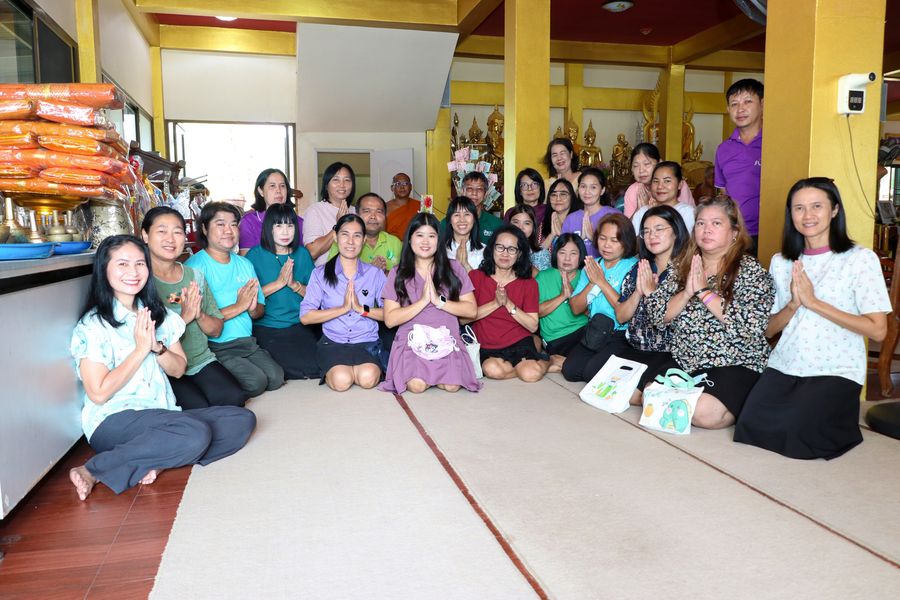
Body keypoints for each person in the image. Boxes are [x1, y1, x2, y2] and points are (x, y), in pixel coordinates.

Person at [67, 235, 256, 501]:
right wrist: (140, 349)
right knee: (195, 432)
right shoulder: (94, 325)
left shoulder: (159, 315)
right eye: (122, 264)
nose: (133, 272)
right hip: (114, 420)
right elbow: (98, 393)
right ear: (104, 270)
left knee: (241, 420)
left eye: (139, 264)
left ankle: (155, 458)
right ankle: (94, 470)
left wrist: (158, 348)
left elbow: (178, 369)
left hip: (161, 415)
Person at [735, 178, 890, 459]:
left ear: (834, 210)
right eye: (799, 208)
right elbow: (768, 330)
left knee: (798, 435)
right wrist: (794, 304)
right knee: (750, 426)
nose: (808, 215)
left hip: (836, 367)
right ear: (790, 214)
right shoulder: (781, 261)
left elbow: (878, 330)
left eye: (817, 206)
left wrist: (814, 303)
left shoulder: (860, 259)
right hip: (787, 363)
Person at [643, 196, 774, 429]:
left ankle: (737, 400)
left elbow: (751, 325)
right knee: (649, 394)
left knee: (703, 413)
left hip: (734, 362)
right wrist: (686, 293)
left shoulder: (749, 269)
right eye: (701, 223)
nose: (706, 230)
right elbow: (657, 316)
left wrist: (704, 292)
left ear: (734, 232)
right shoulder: (682, 265)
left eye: (716, 223)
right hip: (687, 360)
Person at [141, 207, 247, 410]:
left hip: (199, 360)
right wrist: (184, 317)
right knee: (198, 409)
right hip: (162, 365)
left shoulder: (194, 276)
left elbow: (216, 330)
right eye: (162, 231)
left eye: (177, 232)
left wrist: (198, 314)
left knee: (235, 399)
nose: (171, 239)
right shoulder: (139, 279)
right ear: (145, 235)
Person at [186, 202, 284, 397]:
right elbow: (199, 317)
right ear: (204, 228)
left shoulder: (245, 264)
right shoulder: (194, 267)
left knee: (276, 378)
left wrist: (252, 308)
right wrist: (240, 306)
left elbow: (259, 311)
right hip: (216, 346)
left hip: (247, 341)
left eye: (233, 224)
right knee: (256, 382)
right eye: (220, 224)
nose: (228, 231)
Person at [381, 213, 480, 394]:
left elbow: (471, 310)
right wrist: (423, 301)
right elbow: (390, 319)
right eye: (419, 235)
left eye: (431, 236)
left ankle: (440, 373)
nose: (425, 242)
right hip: (413, 341)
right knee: (416, 385)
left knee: (452, 387)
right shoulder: (398, 272)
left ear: (439, 240)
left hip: (446, 338)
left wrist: (438, 301)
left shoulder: (454, 268)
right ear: (409, 239)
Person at [300, 214, 387, 391]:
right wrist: (343, 308)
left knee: (368, 378)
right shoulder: (320, 274)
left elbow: (391, 314)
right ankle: (345, 369)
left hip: (366, 341)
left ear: (364, 240)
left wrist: (361, 309)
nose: (350, 241)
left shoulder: (375, 274)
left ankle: (357, 368)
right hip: (334, 342)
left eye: (357, 236)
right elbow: (306, 317)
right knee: (341, 380)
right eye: (345, 234)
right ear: (335, 237)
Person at [464, 225, 549, 382]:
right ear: (492, 249)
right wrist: (496, 304)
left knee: (531, 375)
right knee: (492, 370)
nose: (505, 253)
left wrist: (508, 304)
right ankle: (529, 363)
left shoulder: (528, 283)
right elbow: (463, 319)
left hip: (518, 340)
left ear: (519, 253)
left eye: (511, 249)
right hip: (486, 343)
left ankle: (546, 362)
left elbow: (532, 326)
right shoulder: (476, 277)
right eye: (500, 247)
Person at [561, 213, 639, 382]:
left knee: (591, 373)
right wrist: (592, 282)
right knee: (570, 371)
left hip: (620, 333)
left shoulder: (633, 267)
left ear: (626, 242)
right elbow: (576, 308)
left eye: (614, 240)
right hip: (595, 330)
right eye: (603, 238)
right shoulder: (592, 265)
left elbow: (624, 311)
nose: (607, 245)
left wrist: (601, 281)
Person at [245, 203, 319, 380]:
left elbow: (316, 296)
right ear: (269, 228)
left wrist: (294, 285)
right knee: (288, 368)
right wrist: (279, 283)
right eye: (278, 226)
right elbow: (247, 298)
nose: (285, 232)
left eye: (290, 225)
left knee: (317, 365)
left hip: (298, 323)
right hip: (268, 326)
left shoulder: (302, 254)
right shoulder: (254, 255)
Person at [715, 79, 764, 254]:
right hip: (735, 234)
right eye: (734, 104)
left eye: (747, 101)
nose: (740, 109)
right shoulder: (723, 149)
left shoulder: (774, 144)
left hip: (768, 231)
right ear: (728, 109)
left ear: (763, 104)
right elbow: (723, 193)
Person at [535, 233, 590, 372]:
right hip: (557, 337)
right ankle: (561, 362)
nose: (567, 258)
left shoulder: (586, 277)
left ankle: (560, 362)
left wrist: (574, 298)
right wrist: (562, 296)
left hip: (585, 331)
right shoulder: (544, 277)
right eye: (562, 252)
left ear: (580, 256)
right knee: (584, 365)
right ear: (555, 254)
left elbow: (592, 312)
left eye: (573, 253)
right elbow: (536, 312)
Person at [327, 193, 402, 273]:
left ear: (385, 216)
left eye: (379, 212)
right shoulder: (344, 242)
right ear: (357, 215)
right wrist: (369, 271)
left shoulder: (395, 242)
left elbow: (403, 276)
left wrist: (384, 272)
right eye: (367, 211)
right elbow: (331, 273)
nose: (373, 216)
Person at [304, 162, 357, 266]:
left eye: (347, 180)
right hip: (325, 273)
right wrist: (338, 225)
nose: (342, 185)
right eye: (336, 179)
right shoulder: (315, 210)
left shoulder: (356, 212)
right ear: (326, 185)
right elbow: (312, 252)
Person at [239, 168, 303, 255]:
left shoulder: (299, 222)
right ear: (261, 191)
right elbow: (247, 259)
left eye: (282, 186)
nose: (278, 190)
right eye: (272, 186)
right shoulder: (249, 221)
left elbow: (301, 256)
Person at [623, 143, 695, 218]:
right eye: (636, 166)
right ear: (631, 169)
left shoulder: (676, 185)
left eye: (646, 164)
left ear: (659, 163)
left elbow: (688, 217)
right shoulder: (633, 190)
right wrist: (639, 210)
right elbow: (626, 225)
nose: (641, 170)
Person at [562, 167, 618, 258]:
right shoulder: (570, 219)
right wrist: (579, 243)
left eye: (593, 187)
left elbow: (621, 250)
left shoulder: (613, 216)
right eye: (583, 186)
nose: (587, 192)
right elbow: (563, 251)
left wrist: (593, 238)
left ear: (602, 190)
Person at [631, 161, 696, 233]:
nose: (660, 186)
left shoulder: (688, 213)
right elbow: (633, 239)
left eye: (667, 181)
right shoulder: (642, 212)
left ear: (680, 184)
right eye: (656, 181)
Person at [443, 171, 502, 245]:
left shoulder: (497, 224)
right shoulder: (447, 223)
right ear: (462, 192)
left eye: (479, 189)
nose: (474, 193)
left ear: (486, 194)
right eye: (469, 189)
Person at [539, 178, 581, 253]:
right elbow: (536, 257)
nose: (558, 199)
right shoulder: (543, 225)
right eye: (554, 195)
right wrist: (552, 235)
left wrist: (561, 235)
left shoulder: (580, 222)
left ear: (572, 197)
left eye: (563, 194)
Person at [443, 196, 485, 272]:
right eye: (457, 215)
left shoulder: (485, 252)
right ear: (450, 220)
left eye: (467, 214)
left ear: (474, 219)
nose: (462, 219)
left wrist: (466, 265)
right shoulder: (440, 251)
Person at [508, 204, 550, 273]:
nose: (520, 227)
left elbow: (545, 279)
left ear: (533, 227)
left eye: (526, 223)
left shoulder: (542, 254)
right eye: (516, 222)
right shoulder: (499, 251)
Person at [385, 172, 420, 239]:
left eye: (405, 183)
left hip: (414, 243)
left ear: (411, 187)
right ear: (392, 188)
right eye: (398, 184)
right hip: (392, 244)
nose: (402, 187)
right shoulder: (385, 207)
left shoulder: (420, 206)